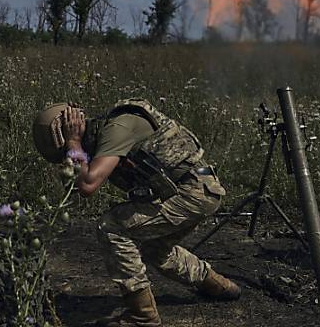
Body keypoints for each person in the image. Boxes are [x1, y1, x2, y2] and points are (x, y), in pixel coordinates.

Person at [32, 98, 241, 327]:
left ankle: (143, 317)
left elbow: (88, 185)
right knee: (156, 250)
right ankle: (219, 286)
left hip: (194, 191)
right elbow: (75, 186)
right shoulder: (101, 139)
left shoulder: (116, 129)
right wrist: (74, 152)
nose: (69, 157)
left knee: (112, 227)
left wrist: (73, 142)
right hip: (191, 191)